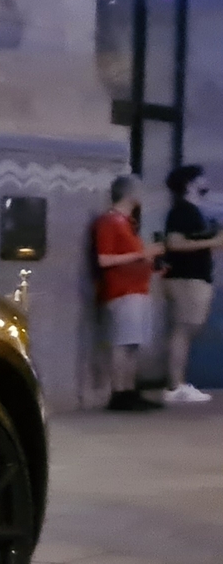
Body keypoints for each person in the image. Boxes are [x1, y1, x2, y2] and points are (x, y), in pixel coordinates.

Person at [96, 174, 159, 411]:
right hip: (121, 291)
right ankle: (118, 392)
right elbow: (104, 259)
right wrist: (141, 255)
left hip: (138, 289)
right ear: (130, 193)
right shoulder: (109, 222)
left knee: (133, 343)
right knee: (123, 343)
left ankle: (130, 389)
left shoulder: (128, 224)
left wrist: (149, 264)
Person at [158, 164, 218, 403]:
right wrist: (213, 242)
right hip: (186, 279)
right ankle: (175, 385)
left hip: (195, 278)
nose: (206, 181)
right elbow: (174, 243)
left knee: (188, 329)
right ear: (190, 183)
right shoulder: (182, 211)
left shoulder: (193, 211)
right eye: (200, 178)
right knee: (183, 329)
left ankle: (179, 382)